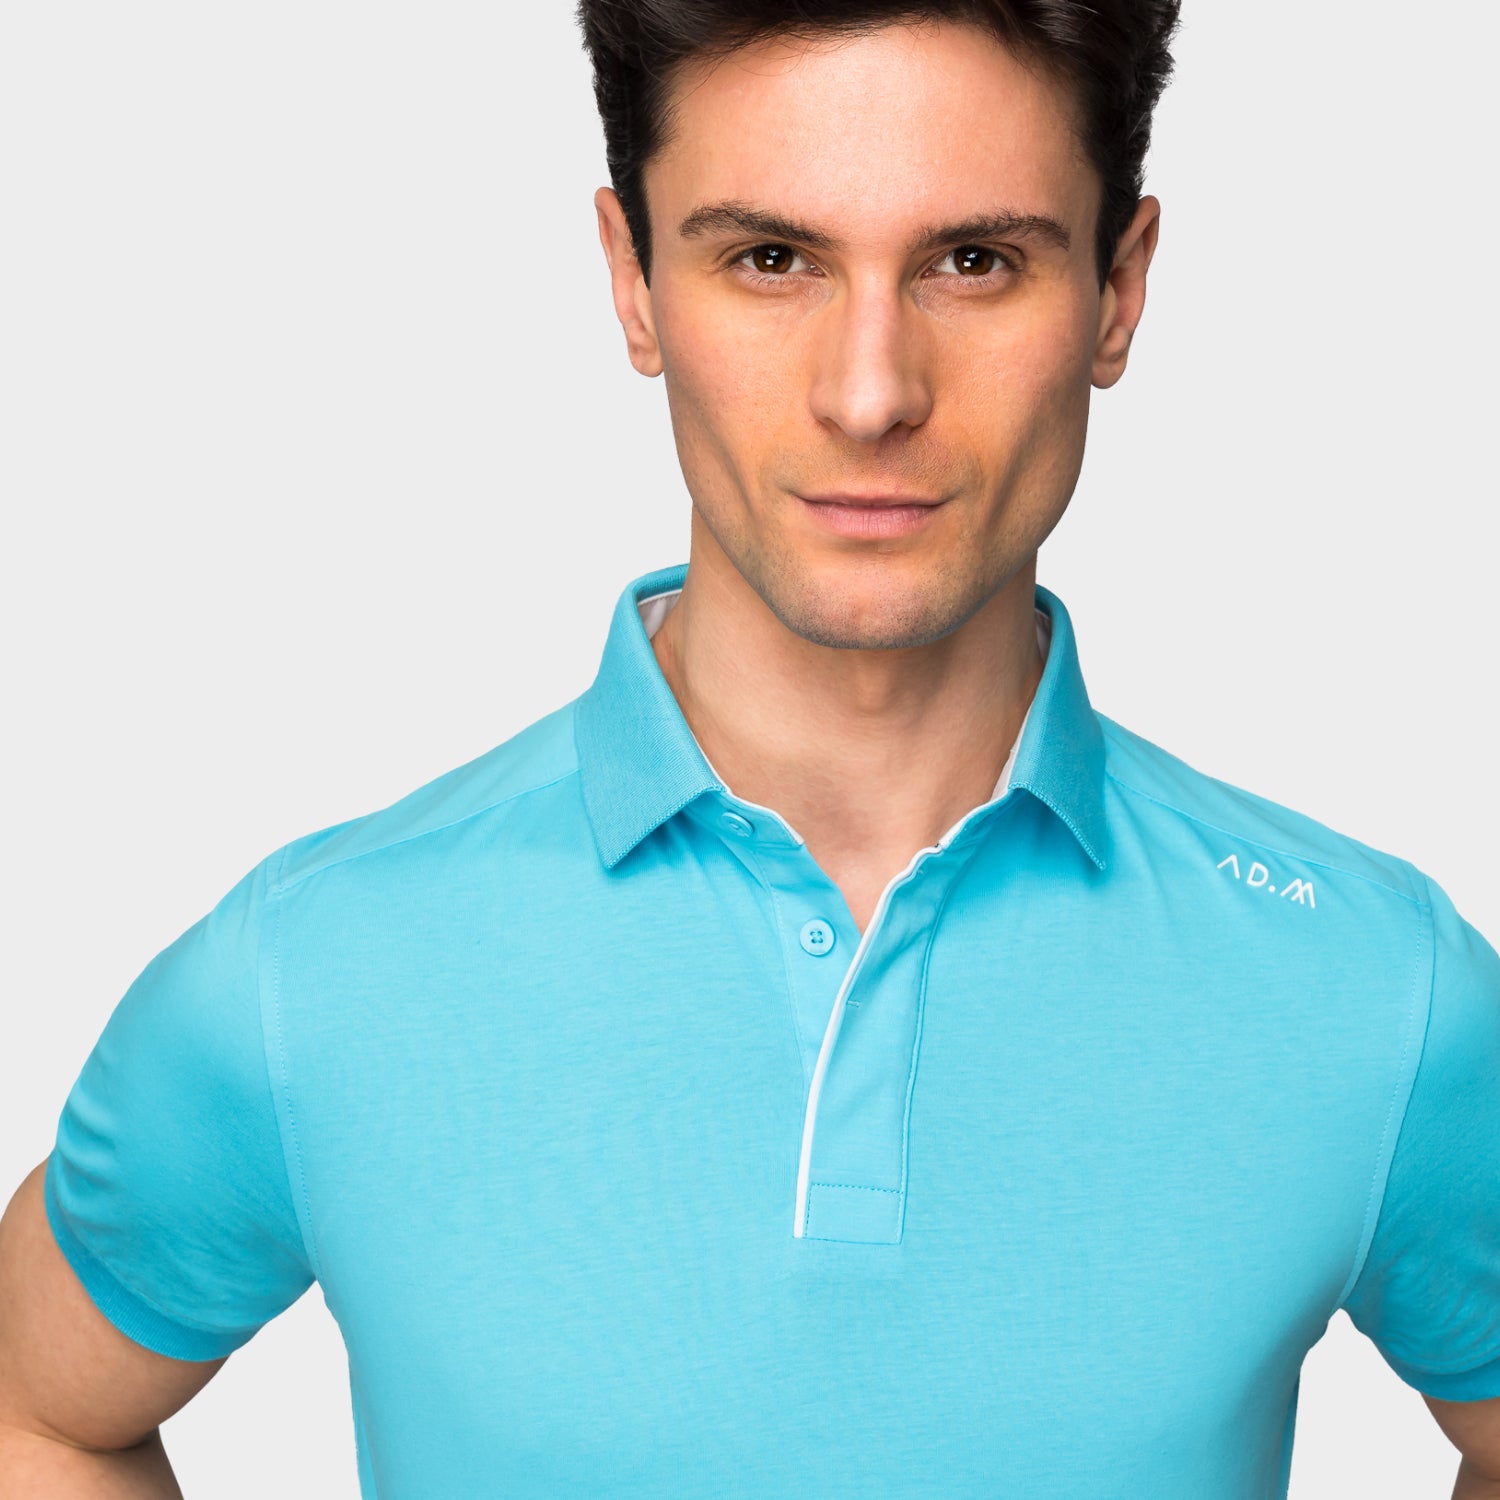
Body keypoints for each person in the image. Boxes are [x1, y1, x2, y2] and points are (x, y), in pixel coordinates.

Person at [1, 0, 1498, 1494]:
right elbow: (39, 1412)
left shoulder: (1380, 988)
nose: (871, 393)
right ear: (634, 283)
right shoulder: (309, 971)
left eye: (975, 262)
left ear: (1119, 291)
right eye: (772, 260)